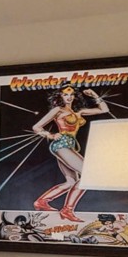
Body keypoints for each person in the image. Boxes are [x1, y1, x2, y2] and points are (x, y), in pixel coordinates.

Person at [31, 86, 111, 223]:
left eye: (71, 95)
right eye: (65, 95)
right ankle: (67, 210)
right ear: (60, 96)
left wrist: (94, 94)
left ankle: (41, 201)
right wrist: (50, 135)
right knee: (88, 175)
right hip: (61, 145)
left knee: (71, 182)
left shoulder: (79, 112)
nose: (69, 97)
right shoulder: (58, 110)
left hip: (70, 147)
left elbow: (104, 109)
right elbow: (36, 127)